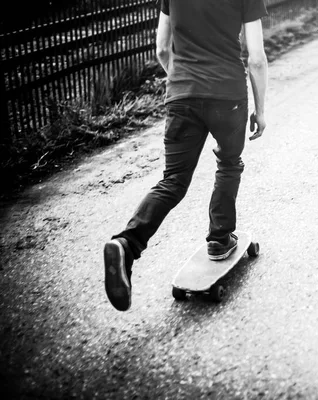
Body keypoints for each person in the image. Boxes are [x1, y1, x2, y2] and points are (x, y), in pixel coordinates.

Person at [103, 0, 269, 312]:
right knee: (229, 163)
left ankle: (127, 243)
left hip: (181, 95)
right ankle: (220, 239)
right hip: (227, 94)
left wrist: (186, 84)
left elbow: (162, 49)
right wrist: (260, 111)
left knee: (173, 181)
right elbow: (257, 58)